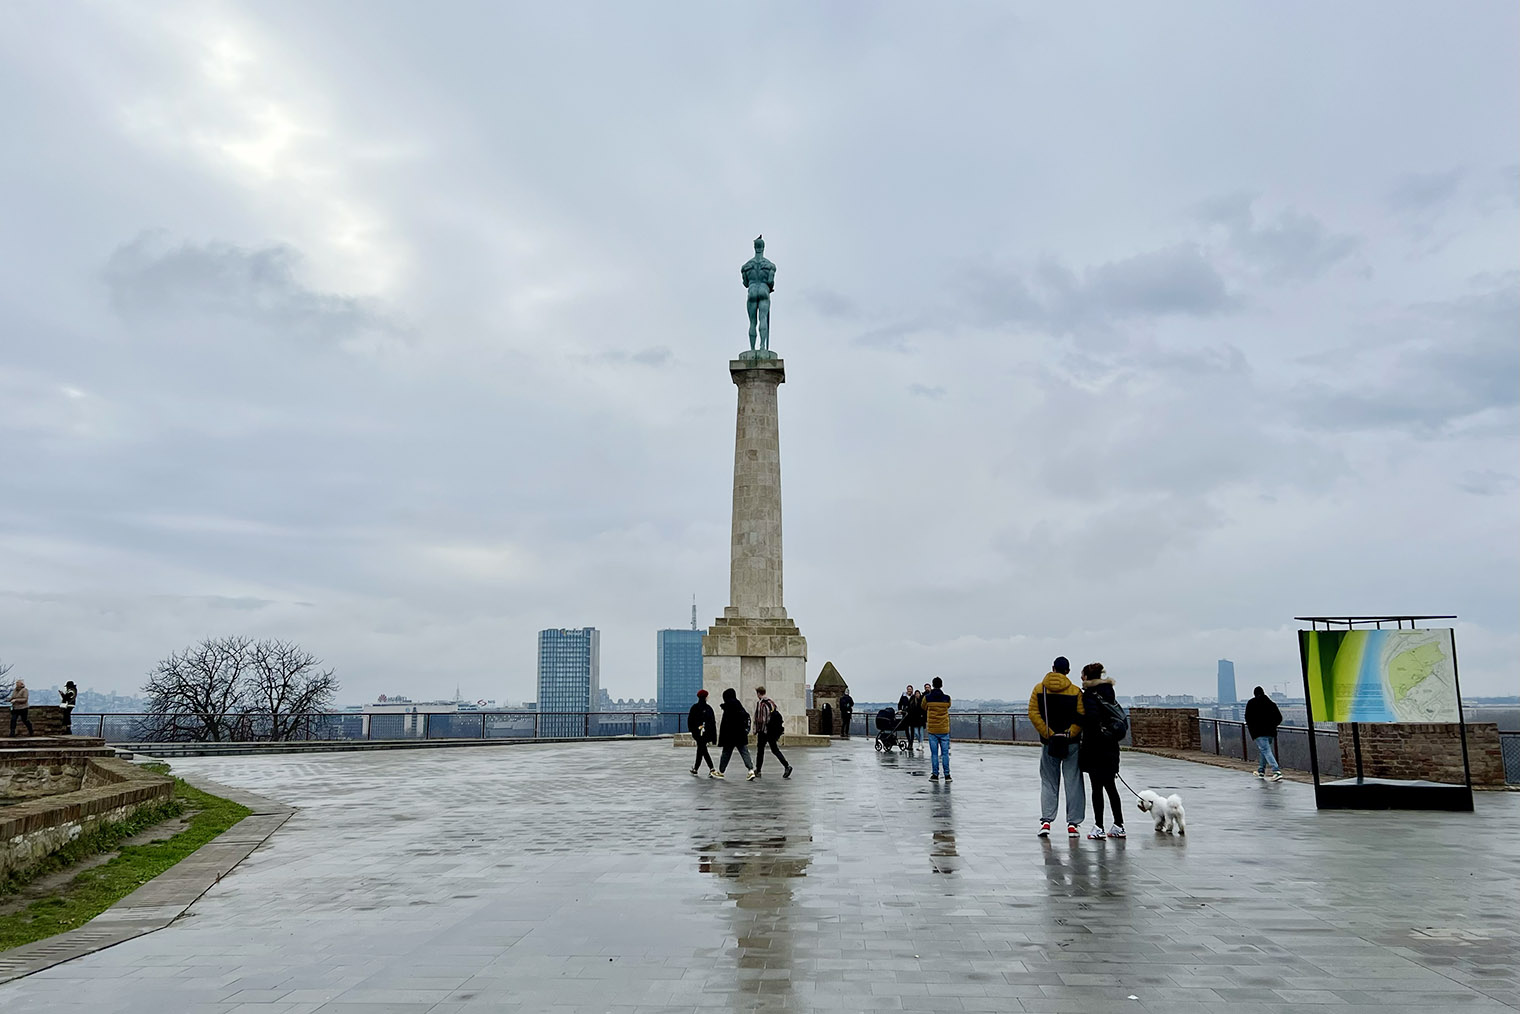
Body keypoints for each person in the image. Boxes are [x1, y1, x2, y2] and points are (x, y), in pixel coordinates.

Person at [1029, 657, 1085, 837]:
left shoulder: (1039, 689)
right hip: (1071, 743)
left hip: (1049, 743)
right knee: (1073, 782)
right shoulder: (1075, 691)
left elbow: (1033, 713)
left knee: (1048, 782)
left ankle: (1046, 821)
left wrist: (1048, 733)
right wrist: (1071, 732)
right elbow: (1080, 716)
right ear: (1068, 671)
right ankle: (1073, 824)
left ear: (1053, 668)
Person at [1078, 663, 1124, 840]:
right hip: (1111, 746)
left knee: (1097, 789)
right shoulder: (1108, 692)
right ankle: (1119, 825)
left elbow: (1091, 720)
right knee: (1111, 788)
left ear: (1087, 677)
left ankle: (1099, 826)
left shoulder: (1090, 695)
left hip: (1095, 747)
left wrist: (1077, 718)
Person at [1245, 685, 1284, 781]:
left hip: (1258, 733)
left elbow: (1247, 718)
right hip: (1270, 732)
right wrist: (1272, 726)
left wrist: (1253, 728)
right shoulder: (1271, 704)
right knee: (1264, 750)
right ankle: (1261, 771)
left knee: (1266, 751)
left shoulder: (1251, 703)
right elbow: (1279, 718)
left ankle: (1276, 771)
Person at [715, 688, 755, 780]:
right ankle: (751, 770)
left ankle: (721, 771)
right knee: (744, 752)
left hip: (730, 736)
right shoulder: (739, 705)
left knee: (726, 754)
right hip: (740, 734)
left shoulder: (728, 707)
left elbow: (725, 724)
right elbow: (746, 717)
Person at [753, 686, 792, 779]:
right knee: (775, 749)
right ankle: (787, 766)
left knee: (760, 751)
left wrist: (757, 730)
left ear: (758, 694)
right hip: (772, 731)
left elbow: (761, 719)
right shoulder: (771, 703)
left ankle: (758, 770)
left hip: (764, 731)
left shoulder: (760, 704)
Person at [924, 676, 952, 781]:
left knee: (934, 754)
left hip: (932, 730)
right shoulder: (947, 698)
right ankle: (947, 775)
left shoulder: (927, 698)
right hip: (944, 729)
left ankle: (935, 775)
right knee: (945, 754)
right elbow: (948, 706)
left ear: (932, 685)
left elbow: (923, 706)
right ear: (941, 685)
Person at [688, 689, 717, 776]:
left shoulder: (694, 708)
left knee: (701, 749)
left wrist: (692, 731)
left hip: (697, 733)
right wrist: (713, 736)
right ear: (706, 697)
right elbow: (712, 723)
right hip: (706, 733)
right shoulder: (709, 708)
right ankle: (705, 768)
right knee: (702, 749)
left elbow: (690, 720)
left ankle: (708, 768)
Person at [898, 685, 917, 751]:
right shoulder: (904, 696)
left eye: (910, 689)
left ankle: (911, 743)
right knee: (906, 729)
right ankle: (909, 741)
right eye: (908, 689)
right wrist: (900, 709)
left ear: (912, 690)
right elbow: (900, 704)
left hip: (912, 715)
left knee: (912, 729)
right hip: (905, 714)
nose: (909, 690)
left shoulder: (914, 697)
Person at [915, 683, 931, 753]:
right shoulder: (923, 696)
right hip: (922, 716)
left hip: (928, 715)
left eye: (928, 687)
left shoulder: (929, 695)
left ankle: (921, 743)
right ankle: (920, 743)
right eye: (926, 687)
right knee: (918, 732)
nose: (927, 688)